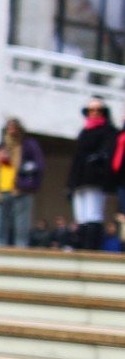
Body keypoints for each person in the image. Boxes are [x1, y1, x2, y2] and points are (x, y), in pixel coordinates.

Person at [0, 117, 44, 248]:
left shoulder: (29, 146)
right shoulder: (0, 149)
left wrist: (27, 181)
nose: (11, 131)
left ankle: (21, 248)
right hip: (2, 190)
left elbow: (38, 166)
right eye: (9, 128)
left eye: (14, 128)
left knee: (21, 224)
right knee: (2, 224)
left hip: (21, 190)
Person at [69, 99, 118, 252]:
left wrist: (98, 158)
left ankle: (91, 247)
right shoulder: (84, 132)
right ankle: (81, 245)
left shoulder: (108, 131)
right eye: (91, 110)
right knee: (81, 215)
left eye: (98, 110)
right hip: (80, 179)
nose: (94, 113)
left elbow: (108, 153)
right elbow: (77, 158)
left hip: (96, 179)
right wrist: (70, 184)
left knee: (93, 214)